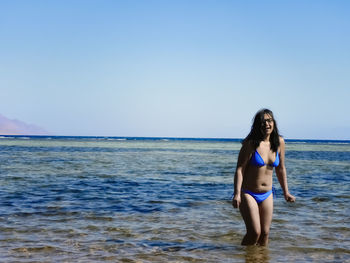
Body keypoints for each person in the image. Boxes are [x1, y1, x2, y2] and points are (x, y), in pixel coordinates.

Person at [232, 108, 295, 246]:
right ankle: (245, 257)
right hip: (248, 193)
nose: (267, 124)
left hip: (267, 194)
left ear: (274, 123)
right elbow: (240, 169)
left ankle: (260, 259)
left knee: (265, 234)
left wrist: (286, 192)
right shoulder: (250, 144)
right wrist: (237, 194)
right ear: (257, 125)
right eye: (263, 122)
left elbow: (280, 169)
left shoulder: (279, 142)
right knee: (255, 232)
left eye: (269, 120)